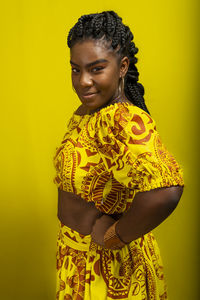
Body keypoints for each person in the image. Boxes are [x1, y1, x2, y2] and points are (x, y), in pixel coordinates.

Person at [53, 11, 184, 300]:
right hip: (78, 259)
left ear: (122, 66)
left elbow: (167, 191)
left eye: (96, 69)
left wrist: (115, 236)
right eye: (76, 69)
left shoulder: (124, 119)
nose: (83, 81)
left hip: (110, 270)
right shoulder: (92, 113)